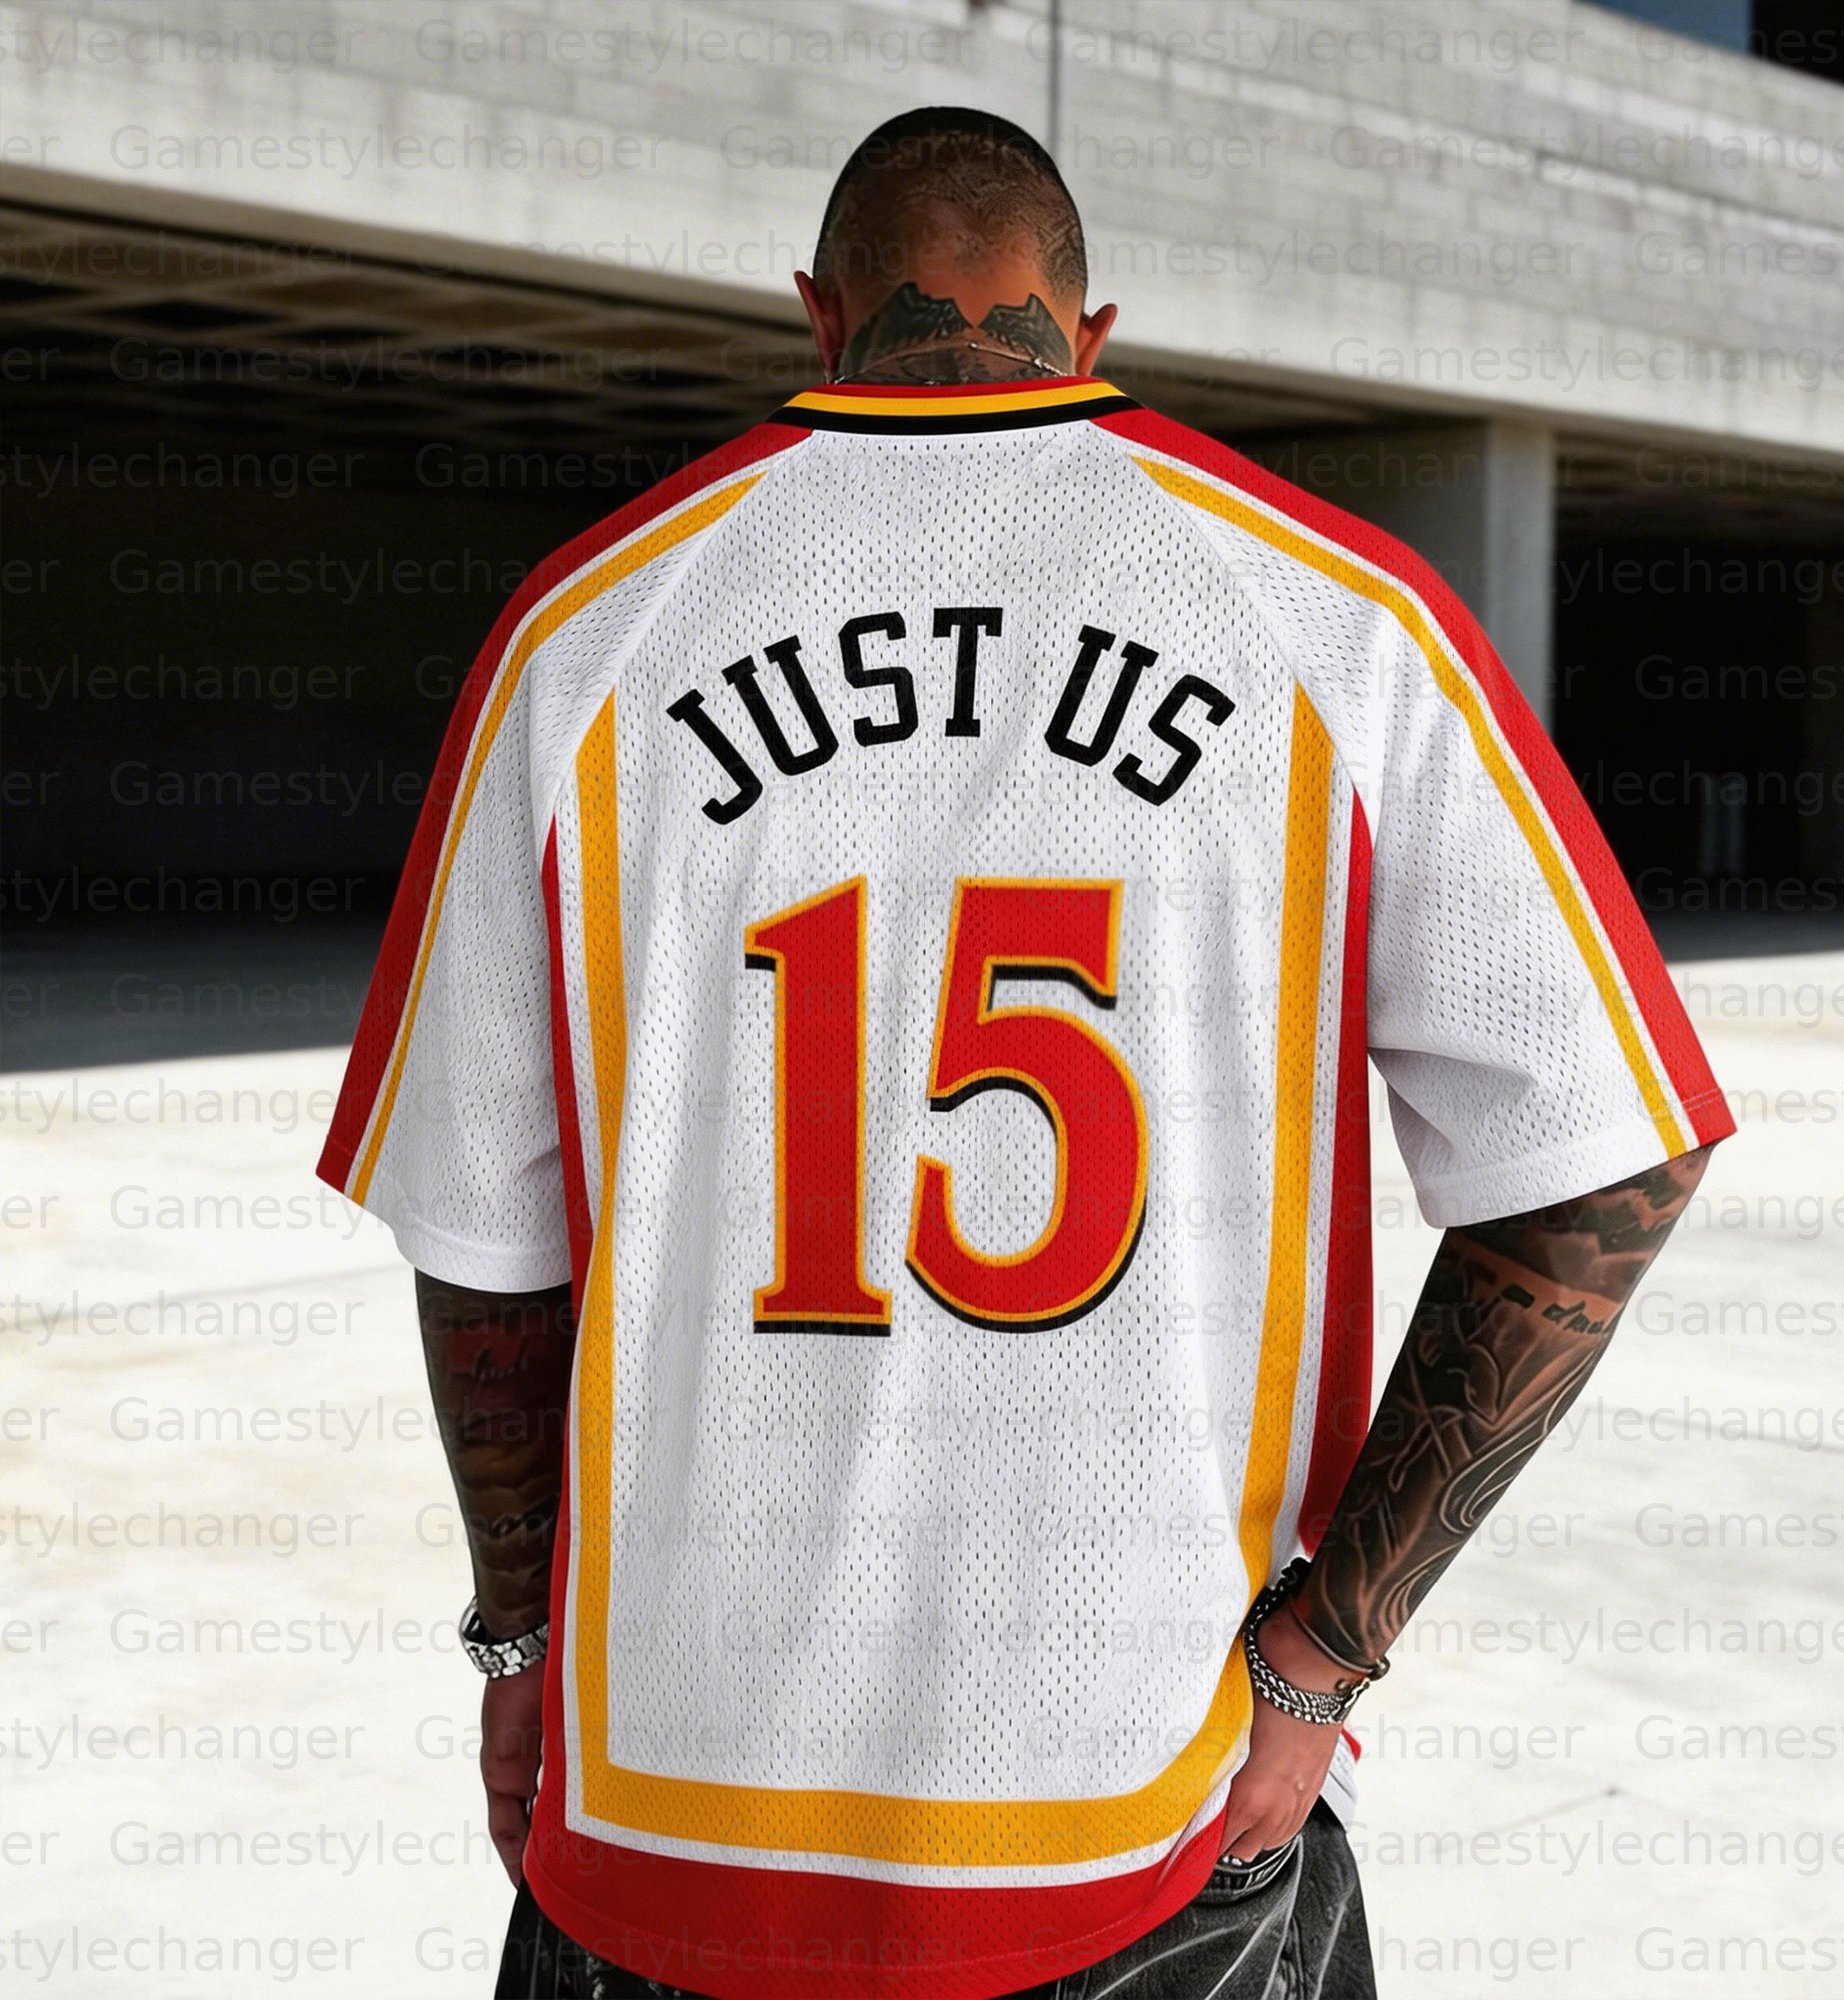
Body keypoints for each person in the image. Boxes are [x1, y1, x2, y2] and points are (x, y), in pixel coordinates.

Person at [317, 106, 1733, 2000]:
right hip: (1138, 1801)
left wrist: (517, 1647)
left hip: (676, 1793)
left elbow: (486, 1248)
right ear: (1092, 327)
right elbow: (1609, 1157)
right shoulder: (1343, 616)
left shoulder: (582, 636)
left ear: (820, 316)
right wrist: (1327, 1653)